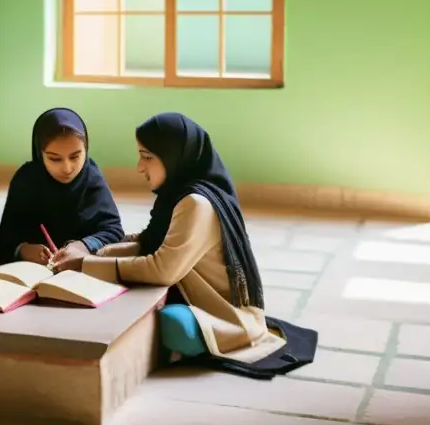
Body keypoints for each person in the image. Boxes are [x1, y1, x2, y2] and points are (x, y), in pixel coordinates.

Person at [54, 112, 317, 378]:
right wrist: (91, 252)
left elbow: (161, 269)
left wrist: (85, 265)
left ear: (173, 156)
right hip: (187, 290)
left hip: (217, 313)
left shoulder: (196, 204)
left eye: (147, 157)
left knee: (173, 325)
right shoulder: (177, 195)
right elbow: (147, 243)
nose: (139, 167)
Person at [0, 108, 124, 267]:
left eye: (75, 156)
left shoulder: (92, 178)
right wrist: (23, 250)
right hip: (35, 271)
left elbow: (114, 231)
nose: (67, 168)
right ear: (40, 153)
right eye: (55, 159)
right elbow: (4, 238)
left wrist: (83, 246)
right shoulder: (26, 180)